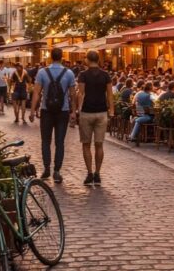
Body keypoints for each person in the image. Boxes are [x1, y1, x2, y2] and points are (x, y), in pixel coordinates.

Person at [31, 48, 77, 183]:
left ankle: (46, 168)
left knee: (45, 141)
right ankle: (57, 171)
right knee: (60, 142)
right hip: (63, 111)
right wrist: (74, 112)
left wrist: (32, 110)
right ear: (62, 57)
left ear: (50, 57)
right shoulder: (68, 73)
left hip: (46, 110)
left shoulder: (42, 72)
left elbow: (36, 93)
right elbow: (73, 94)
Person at [76, 51, 114, 187]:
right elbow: (110, 94)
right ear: (98, 60)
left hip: (87, 112)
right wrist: (112, 111)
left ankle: (90, 173)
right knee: (99, 144)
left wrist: (78, 110)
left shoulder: (83, 75)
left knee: (86, 144)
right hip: (102, 112)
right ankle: (98, 173)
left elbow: (80, 93)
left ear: (87, 60)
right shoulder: (105, 75)